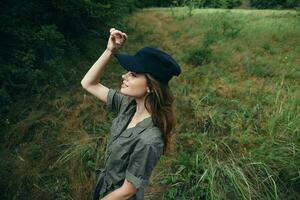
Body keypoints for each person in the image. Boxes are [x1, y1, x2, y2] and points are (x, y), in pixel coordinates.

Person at [81, 28, 181, 200]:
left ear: (150, 86)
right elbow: (88, 83)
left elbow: (127, 190)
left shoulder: (149, 139)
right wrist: (110, 50)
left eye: (133, 74)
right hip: (104, 189)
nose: (124, 76)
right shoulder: (128, 106)